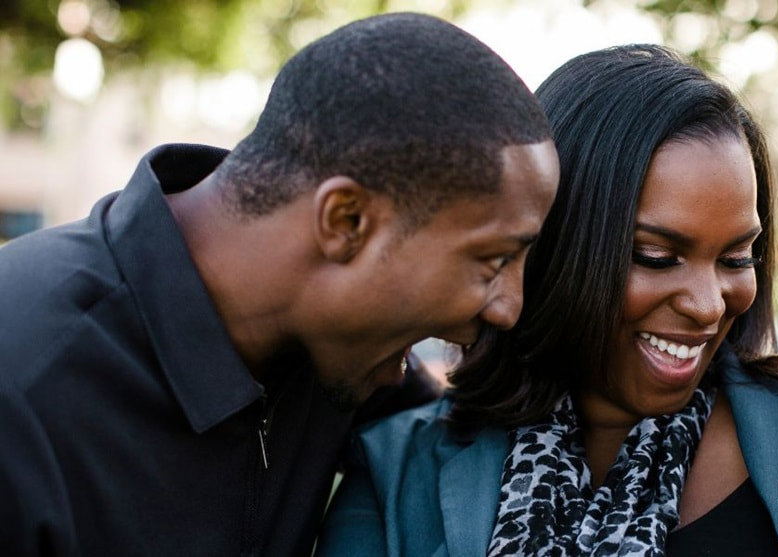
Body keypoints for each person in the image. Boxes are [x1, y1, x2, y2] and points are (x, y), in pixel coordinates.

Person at [0, 13, 558, 556]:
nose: (508, 308)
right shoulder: (25, 386)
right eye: (494, 260)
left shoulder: (341, 349)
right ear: (346, 222)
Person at [316, 45, 778, 556]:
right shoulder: (396, 470)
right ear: (549, 243)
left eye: (736, 258)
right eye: (656, 256)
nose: (708, 306)